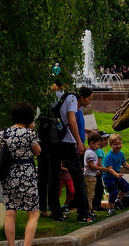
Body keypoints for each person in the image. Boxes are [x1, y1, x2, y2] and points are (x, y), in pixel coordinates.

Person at [0, 102, 43, 246]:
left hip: (8, 176)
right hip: (26, 175)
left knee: (10, 212)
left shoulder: (3, 133)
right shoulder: (29, 134)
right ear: (29, 117)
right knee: (33, 214)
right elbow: (38, 151)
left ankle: (11, 244)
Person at [47, 85, 93, 223]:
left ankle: (56, 212)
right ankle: (83, 213)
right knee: (78, 177)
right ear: (82, 97)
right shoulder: (71, 98)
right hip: (66, 142)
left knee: (54, 177)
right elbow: (72, 121)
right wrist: (79, 141)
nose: (89, 102)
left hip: (53, 141)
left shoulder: (54, 95)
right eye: (89, 99)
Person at [100, 134, 129, 210]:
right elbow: (110, 169)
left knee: (126, 187)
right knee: (113, 192)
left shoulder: (121, 154)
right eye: (115, 144)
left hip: (117, 175)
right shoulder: (109, 156)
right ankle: (111, 209)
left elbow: (124, 163)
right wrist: (116, 174)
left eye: (120, 144)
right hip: (109, 177)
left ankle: (118, 200)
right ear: (111, 145)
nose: (118, 146)